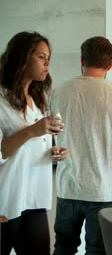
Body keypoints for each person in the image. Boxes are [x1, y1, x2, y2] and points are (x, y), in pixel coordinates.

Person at [50, 36, 112, 254]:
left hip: (68, 186)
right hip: (103, 190)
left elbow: (51, 139)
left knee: (64, 246)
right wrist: (109, 154)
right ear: (110, 64)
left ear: (82, 60)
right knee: (98, 249)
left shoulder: (58, 93)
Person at [0, 31, 67, 255]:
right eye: (40, 56)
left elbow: (32, 147)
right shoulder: (0, 99)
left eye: (48, 57)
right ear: (22, 57)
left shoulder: (37, 102)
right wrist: (32, 131)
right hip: (7, 200)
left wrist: (54, 152)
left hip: (37, 198)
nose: (47, 62)